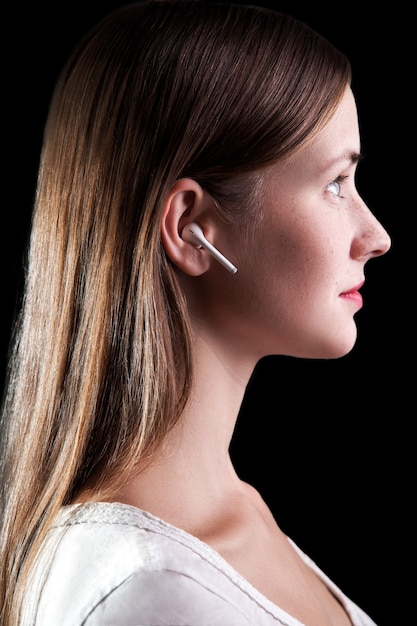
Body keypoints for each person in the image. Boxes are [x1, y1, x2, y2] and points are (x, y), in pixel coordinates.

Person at [0, 1, 391, 624]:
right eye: (335, 184)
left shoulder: (231, 515)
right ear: (190, 228)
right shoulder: (149, 594)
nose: (376, 236)